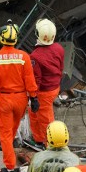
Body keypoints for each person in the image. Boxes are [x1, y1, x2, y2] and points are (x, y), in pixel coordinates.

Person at [0, 20, 39, 172]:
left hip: (4, 100)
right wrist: (34, 98)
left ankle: (9, 167)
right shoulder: (24, 57)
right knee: (12, 131)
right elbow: (30, 80)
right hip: (21, 99)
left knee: (6, 135)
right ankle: (11, 158)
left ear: (2, 38)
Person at [29, 19, 65, 147]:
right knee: (34, 113)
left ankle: (49, 143)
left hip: (43, 91)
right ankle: (38, 139)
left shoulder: (35, 56)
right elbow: (61, 67)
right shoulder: (59, 48)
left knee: (45, 119)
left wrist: (33, 96)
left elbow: (36, 79)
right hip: (54, 86)